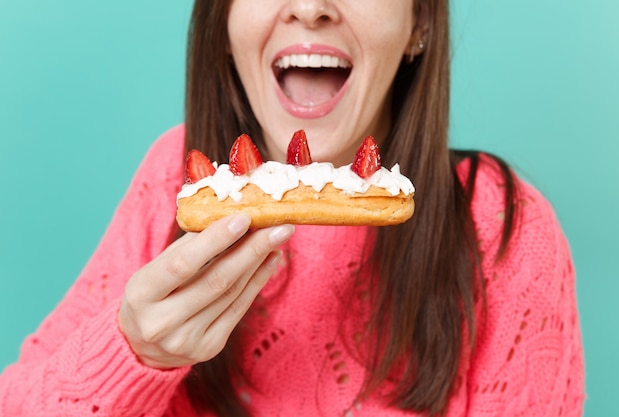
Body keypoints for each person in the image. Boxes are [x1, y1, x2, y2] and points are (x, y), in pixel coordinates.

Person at [0, 0, 585, 415]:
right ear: (222, 22)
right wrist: (133, 353)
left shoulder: (503, 227)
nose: (309, 7)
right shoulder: (171, 179)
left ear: (419, 23)